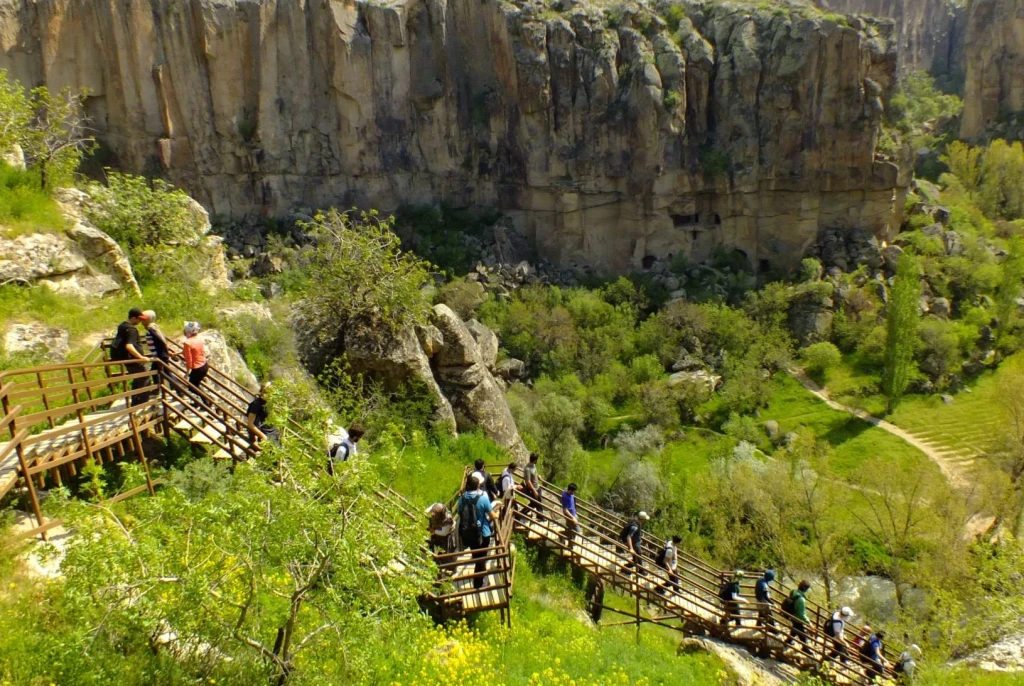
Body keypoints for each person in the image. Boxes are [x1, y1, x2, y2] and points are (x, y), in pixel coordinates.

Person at [457, 474, 498, 589]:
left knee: (477, 556)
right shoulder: (483, 498)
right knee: (481, 558)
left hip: (468, 533)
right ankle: (478, 583)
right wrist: (497, 515)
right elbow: (492, 515)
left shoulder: (462, 498)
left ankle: (482, 578)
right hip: (482, 533)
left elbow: (459, 513)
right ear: (478, 486)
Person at [110, 307, 151, 406]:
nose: (140, 321)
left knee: (138, 380)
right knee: (145, 378)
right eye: (139, 319)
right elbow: (129, 346)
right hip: (133, 360)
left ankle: (135, 402)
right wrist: (141, 357)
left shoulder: (122, 326)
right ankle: (142, 403)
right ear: (133, 318)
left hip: (127, 359)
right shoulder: (132, 329)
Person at [182, 321, 209, 407]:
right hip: (204, 365)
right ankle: (203, 401)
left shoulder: (188, 343)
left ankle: (205, 402)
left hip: (197, 368)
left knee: (191, 387)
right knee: (195, 385)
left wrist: (187, 373)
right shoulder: (199, 338)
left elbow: (189, 360)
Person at [784, 580, 813, 656]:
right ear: (805, 589)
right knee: (802, 633)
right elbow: (801, 614)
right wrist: (808, 622)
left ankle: (788, 641)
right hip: (796, 617)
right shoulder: (801, 600)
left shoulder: (793, 591)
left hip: (791, 614)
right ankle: (805, 648)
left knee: (795, 630)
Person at [619, 511, 650, 577]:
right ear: (643, 519)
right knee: (638, 558)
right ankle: (641, 571)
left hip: (636, 543)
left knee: (635, 559)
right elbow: (629, 537)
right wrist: (631, 548)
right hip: (635, 545)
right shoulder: (635, 526)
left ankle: (625, 569)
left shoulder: (635, 522)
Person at [522, 452, 544, 519]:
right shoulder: (527, 469)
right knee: (536, 503)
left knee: (536, 502)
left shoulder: (533, 465)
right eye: (536, 460)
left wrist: (538, 476)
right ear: (534, 460)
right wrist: (534, 491)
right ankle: (540, 517)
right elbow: (528, 481)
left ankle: (523, 513)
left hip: (537, 487)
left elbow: (534, 473)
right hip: (532, 489)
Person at [561, 483, 581, 550]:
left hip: (574, 515)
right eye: (573, 491)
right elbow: (565, 510)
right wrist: (573, 518)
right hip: (570, 517)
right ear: (570, 490)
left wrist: (575, 514)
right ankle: (562, 536)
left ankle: (570, 545)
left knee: (571, 531)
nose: (574, 493)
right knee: (577, 531)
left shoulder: (570, 494)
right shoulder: (565, 497)